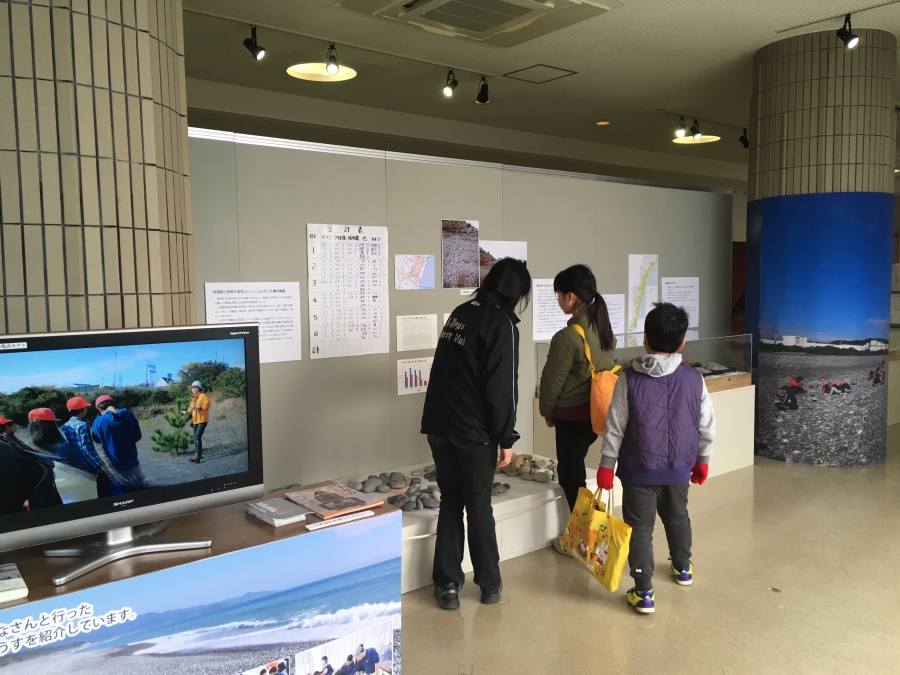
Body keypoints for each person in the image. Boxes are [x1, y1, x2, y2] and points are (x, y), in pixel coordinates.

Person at [421, 258, 531, 610]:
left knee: (451, 501)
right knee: (479, 506)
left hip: (439, 426)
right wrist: (506, 438)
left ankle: (448, 586)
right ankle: (489, 584)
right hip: (474, 433)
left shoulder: (461, 311)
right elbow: (502, 389)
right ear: (518, 296)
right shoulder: (502, 325)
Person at [597, 302, 716, 614]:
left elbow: (615, 425)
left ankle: (643, 591)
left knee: (639, 529)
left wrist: (607, 465)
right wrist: (703, 458)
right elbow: (706, 424)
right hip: (679, 467)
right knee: (678, 515)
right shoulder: (695, 379)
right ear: (682, 343)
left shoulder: (628, 378)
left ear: (645, 339)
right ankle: (682, 567)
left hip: (638, 471)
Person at [538, 265, 616, 554]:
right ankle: (583, 536)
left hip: (571, 416)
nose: (558, 300)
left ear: (571, 296)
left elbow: (551, 382)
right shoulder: (602, 326)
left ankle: (581, 541)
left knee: (572, 478)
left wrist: (547, 412)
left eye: (558, 295)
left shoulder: (568, 337)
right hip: (597, 413)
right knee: (577, 473)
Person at [59, 396, 123, 497]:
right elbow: (88, 450)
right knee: (105, 488)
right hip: (89, 466)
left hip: (77, 467)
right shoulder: (83, 426)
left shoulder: (64, 426)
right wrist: (101, 466)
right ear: (84, 410)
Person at [0, 415, 63, 514]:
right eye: (11, 424)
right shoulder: (7, 445)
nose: (14, 426)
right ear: (6, 427)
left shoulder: (7, 443)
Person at [91, 395, 149, 487]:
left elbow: (97, 439)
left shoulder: (98, 421)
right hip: (132, 457)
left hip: (114, 461)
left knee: (126, 484)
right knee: (141, 480)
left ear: (99, 409)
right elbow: (138, 435)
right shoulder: (126, 413)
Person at [187, 380, 211, 464]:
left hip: (202, 419)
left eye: (195, 387)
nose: (193, 389)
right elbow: (190, 408)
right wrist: (187, 411)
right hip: (195, 420)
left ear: (199, 388)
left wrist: (199, 407)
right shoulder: (194, 398)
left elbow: (207, 404)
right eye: (192, 387)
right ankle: (198, 455)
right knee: (196, 438)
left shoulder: (203, 396)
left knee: (197, 437)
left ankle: (197, 455)